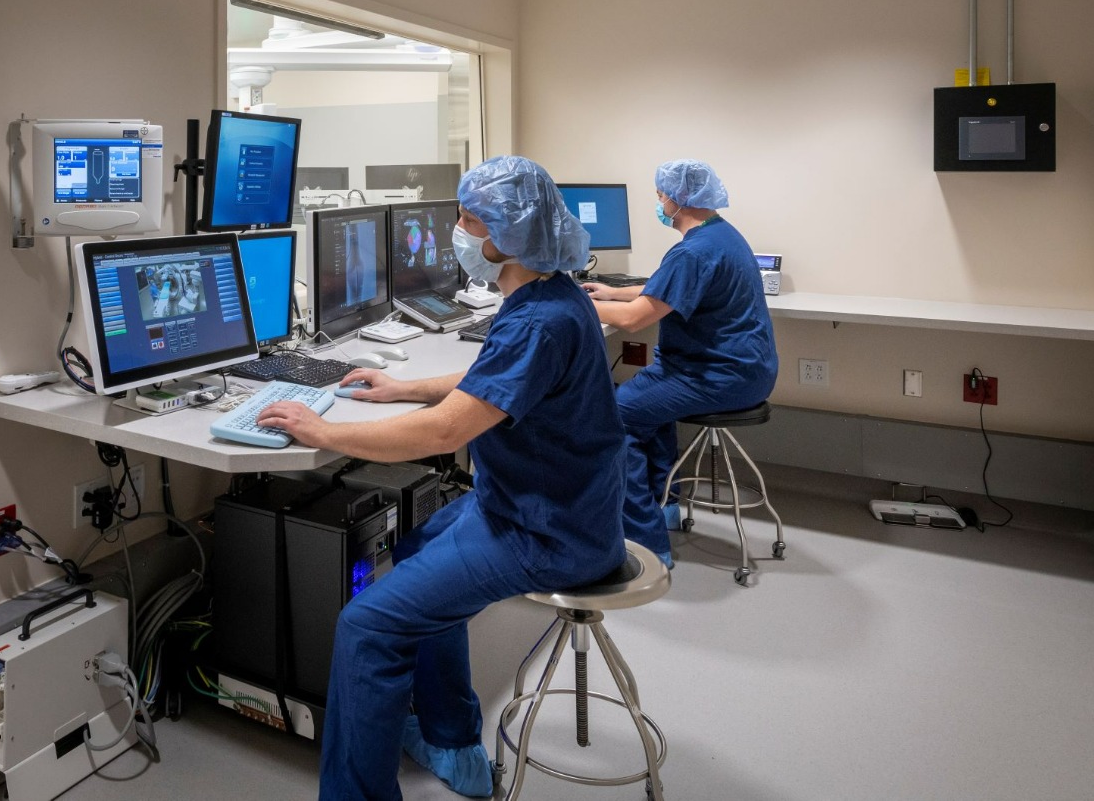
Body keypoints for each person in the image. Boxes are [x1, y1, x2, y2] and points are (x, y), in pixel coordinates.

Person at [258, 155, 626, 801]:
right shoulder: (550, 293)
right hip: (538, 504)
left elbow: (444, 433)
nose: (456, 228)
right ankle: (450, 736)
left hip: (547, 531)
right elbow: (492, 380)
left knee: (367, 625)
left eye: (466, 218)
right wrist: (403, 387)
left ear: (503, 235)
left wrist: (325, 433)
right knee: (413, 548)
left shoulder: (541, 316)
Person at [585, 159, 777, 567]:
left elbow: (637, 320)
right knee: (645, 402)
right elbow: (664, 290)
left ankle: (644, 544)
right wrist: (609, 293)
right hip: (745, 370)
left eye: (659, 196)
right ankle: (666, 506)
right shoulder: (721, 236)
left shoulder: (692, 252)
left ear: (677, 199)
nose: (657, 203)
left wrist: (577, 304)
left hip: (717, 376)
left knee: (616, 413)